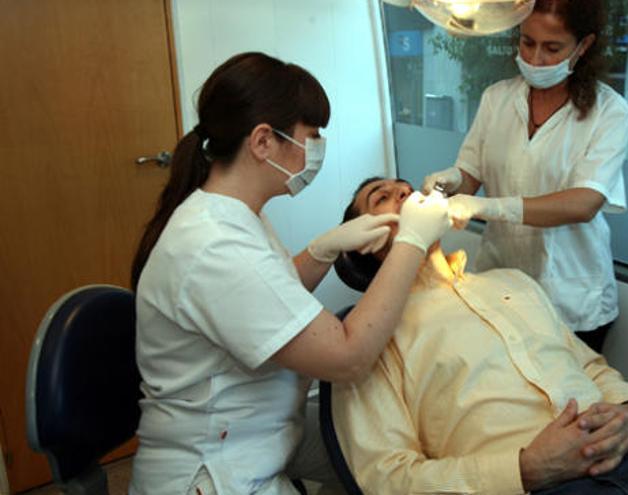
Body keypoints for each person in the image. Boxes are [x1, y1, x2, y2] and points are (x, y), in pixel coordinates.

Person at [128, 53, 450, 495]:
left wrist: (320, 251)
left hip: (263, 435)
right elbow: (347, 357)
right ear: (263, 142)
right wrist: (411, 242)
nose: (317, 149)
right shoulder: (213, 245)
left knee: (386, 462)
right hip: (217, 468)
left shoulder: (235, 216)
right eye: (311, 137)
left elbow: (261, 302)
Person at [330, 177, 628, 495]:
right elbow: (387, 478)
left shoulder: (511, 283)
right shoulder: (365, 342)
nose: (403, 193)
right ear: (365, 242)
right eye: (382, 199)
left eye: (405, 188)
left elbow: (590, 366)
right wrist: (526, 468)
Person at [423, 0, 628, 352]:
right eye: (527, 42)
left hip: (572, 297)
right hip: (502, 286)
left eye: (552, 48)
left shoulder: (609, 112)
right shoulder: (497, 99)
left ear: (584, 45)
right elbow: (471, 173)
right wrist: (450, 181)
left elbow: (584, 202)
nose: (535, 59)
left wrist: (486, 207)